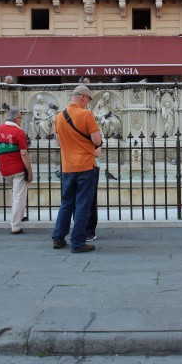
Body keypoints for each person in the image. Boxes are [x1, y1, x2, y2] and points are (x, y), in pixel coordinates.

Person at [51, 85, 102, 253]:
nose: (88, 103)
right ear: (82, 97)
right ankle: (78, 242)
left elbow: (58, 142)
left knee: (66, 203)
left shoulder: (59, 117)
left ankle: (58, 237)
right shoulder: (86, 114)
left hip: (67, 167)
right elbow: (96, 140)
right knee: (82, 205)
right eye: (88, 99)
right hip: (85, 166)